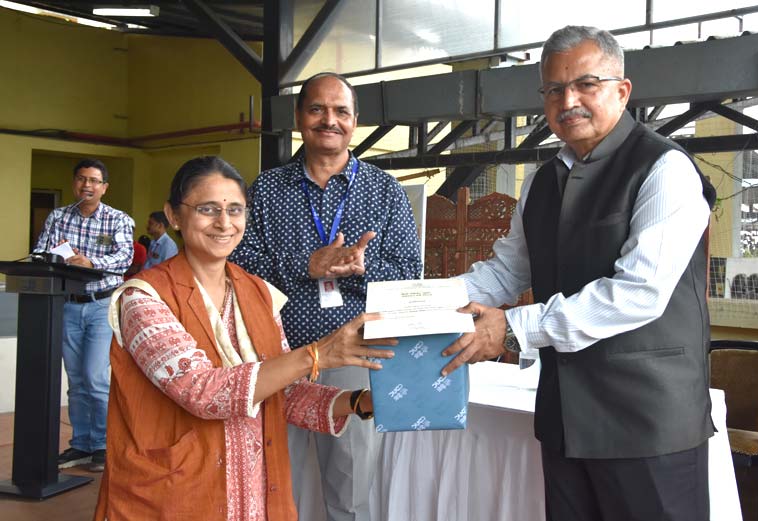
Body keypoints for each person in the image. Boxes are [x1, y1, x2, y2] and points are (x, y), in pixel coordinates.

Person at [441, 26, 716, 521]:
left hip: (647, 421)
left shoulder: (664, 168)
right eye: (553, 89)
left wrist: (511, 328)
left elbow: (638, 292)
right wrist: (415, 303)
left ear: (622, 90)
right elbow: (505, 272)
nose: (568, 101)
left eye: (586, 84)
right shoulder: (540, 183)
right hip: (566, 419)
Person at [94, 156, 395, 520]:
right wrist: (317, 354)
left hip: (255, 496)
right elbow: (203, 392)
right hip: (176, 493)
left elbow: (284, 393)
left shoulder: (259, 292)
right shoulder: (142, 297)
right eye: (207, 209)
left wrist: (360, 401)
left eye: (235, 210)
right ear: (173, 215)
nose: (224, 223)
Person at [231, 72, 422, 521]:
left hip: (354, 356)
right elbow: (238, 265)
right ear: (299, 117)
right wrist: (308, 264)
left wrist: (361, 267)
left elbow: (409, 274)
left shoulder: (384, 191)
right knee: (277, 484)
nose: (329, 120)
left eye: (341, 111)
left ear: (355, 120)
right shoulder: (267, 189)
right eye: (317, 109)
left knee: (349, 492)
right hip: (277, 355)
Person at [33, 158, 134, 472]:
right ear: (74, 183)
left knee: (95, 377)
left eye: (93, 180)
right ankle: (81, 444)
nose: (86, 185)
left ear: (104, 187)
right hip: (67, 304)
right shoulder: (58, 217)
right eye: (81, 179)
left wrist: (91, 262)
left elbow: (125, 258)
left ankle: (104, 444)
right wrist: (53, 259)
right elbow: (39, 252)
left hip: (101, 304)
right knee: (76, 380)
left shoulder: (117, 219)